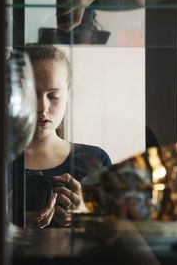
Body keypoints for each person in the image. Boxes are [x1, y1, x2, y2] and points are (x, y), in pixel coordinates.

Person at [23, 44, 112, 228]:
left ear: (67, 96)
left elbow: (117, 241)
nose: (42, 107)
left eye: (53, 96)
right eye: (31, 94)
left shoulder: (95, 160)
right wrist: (6, 217)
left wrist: (85, 217)